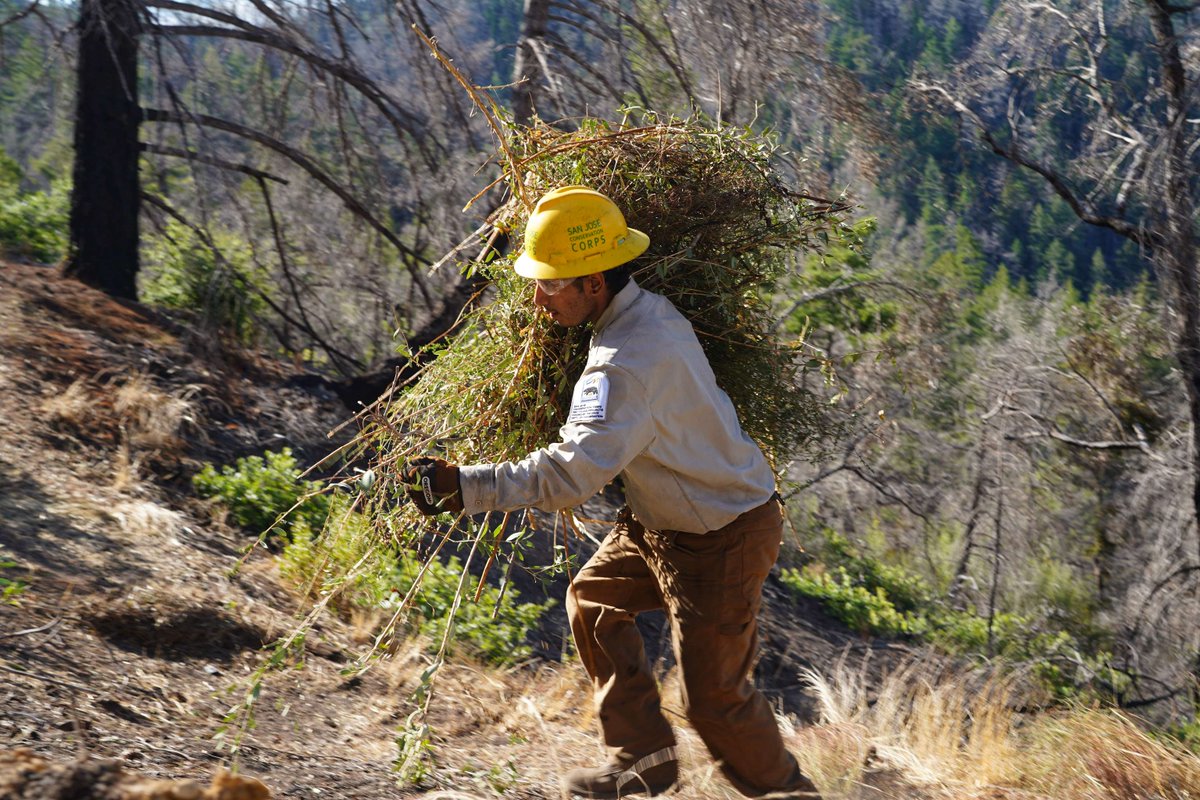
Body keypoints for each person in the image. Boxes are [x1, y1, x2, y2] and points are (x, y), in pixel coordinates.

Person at [404, 185, 822, 800]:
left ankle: (790, 795)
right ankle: (643, 761)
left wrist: (463, 487)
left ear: (594, 282)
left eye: (552, 283)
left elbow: (571, 474)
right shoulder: (651, 311)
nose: (539, 296)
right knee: (594, 602)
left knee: (714, 701)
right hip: (661, 523)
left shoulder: (622, 366)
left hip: (720, 535)